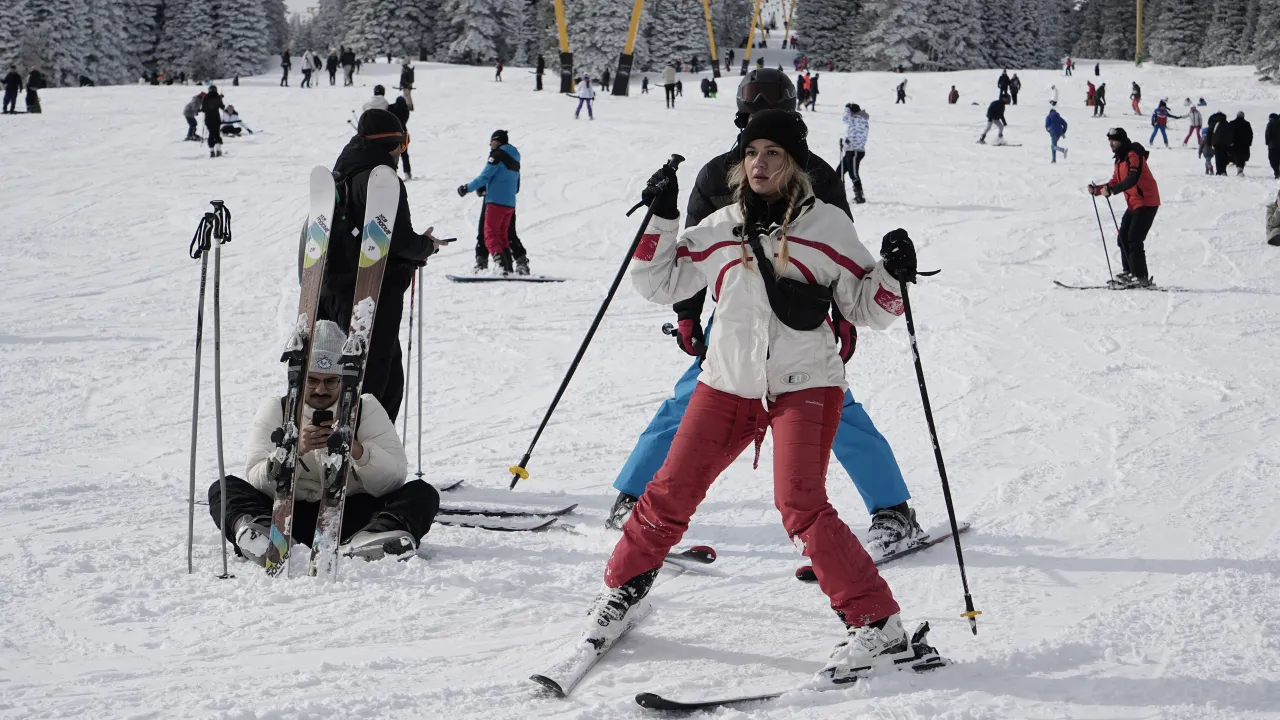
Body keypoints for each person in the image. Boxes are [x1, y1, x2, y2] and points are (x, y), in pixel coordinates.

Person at [587, 109, 930, 685]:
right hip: (727, 382)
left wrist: (893, 275)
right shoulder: (721, 226)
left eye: (773, 153)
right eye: (751, 153)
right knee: (669, 491)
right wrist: (663, 217)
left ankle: (879, 626)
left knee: (801, 505)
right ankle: (622, 590)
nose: (760, 163)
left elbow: (869, 309)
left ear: (794, 164)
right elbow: (658, 282)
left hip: (807, 384)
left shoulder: (829, 228)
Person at [606, 70, 927, 560]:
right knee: (693, 403)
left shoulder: (814, 171)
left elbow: (838, 254)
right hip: (736, 313)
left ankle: (892, 509)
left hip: (802, 317)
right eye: (752, 120)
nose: (761, 154)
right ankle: (635, 495)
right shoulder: (719, 172)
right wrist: (690, 313)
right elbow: (691, 248)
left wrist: (844, 314)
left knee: (831, 407)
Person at [207, 320, 440, 567]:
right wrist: (293, 452)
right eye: (313, 380)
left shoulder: (366, 407)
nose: (320, 389)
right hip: (286, 515)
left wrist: (358, 451)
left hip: (349, 515)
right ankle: (264, 540)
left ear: (344, 380)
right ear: (300, 377)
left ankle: (371, 540)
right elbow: (256, 477)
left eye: (331, 381)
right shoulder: (277, 408)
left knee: (422, 493)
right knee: (223, 487)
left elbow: (393, 479)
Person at [319, 109, 441, 420]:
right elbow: (397, 241)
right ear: (396, 143)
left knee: (347, 373)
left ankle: (343, 445)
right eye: (404, 143)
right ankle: (366, 452)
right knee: (377, 381)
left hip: (329, 290)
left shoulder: (341, 176)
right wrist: (426, 246)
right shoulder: (381, 181)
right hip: (371, 294)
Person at [1088, 127, 1160, 288]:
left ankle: (1140, 277)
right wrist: (1098, 190)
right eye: (1109, 140)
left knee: (1134, 238)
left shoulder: (1133, 155)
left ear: (1121, 141)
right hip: (1134, 203)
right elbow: (1115, 181)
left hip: (1146, 201)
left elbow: (1132, 178)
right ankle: (1129, 273)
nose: (1111, 143)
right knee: (1123, 238)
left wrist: (1112, 191)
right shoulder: (1119, 160)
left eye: (1113, 140)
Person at [458, 130, 530, 276]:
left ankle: (501, 265)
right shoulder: (515, 158)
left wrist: (467, 188)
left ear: (497, 141)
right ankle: (507, 266)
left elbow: (485, 176)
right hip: (509, 203)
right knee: (504, 234)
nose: (491, 146)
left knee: (489, 234)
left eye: (492, 142)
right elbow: (515, 186)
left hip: (495, 201)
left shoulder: (497, 155)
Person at [841, 103, 869, 203]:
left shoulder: (859, 119)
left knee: (853, 173)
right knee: (839, 172)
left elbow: (845, 119)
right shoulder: (858, 119)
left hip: (855, 151)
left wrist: (847, 109)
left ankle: (859, 196)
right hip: (851, 150)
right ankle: (839, 195)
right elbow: (852, 132)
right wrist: (844, 142)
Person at [389, 96, 412, 180]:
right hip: (403, 135)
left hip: (393, 135)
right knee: (405, 155)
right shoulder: (406, 111)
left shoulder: (391, 109)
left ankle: (392, 174)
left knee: (393, 156)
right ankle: (407, 172)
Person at [202, 85, 225, 157]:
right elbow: (222, 107)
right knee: (217, 134)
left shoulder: (205, 97)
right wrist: (220, 98)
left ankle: (211, 151)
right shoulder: (218, 97)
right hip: (216, 118)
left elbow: (203, 109)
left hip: (208, 119)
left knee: (211, 134)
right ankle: (218, 150)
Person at [1208, 110, 1232, 175]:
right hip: (1225, 143)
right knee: (1224, 156)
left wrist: (1209, 142)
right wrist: (1230, 142)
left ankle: (1219, 171)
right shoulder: (1226, 123)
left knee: (1218, 157)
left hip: (1216, 142)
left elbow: (1210, 132)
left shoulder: (1213, 122)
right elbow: (1230, 133)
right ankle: (1223, 170)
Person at [1266, 113, 1280, 179]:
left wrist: (1267, 142)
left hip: (1273, 146)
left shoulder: (1270, 124)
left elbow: (1267, 134)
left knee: (1273, 160)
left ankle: (1277, 172)